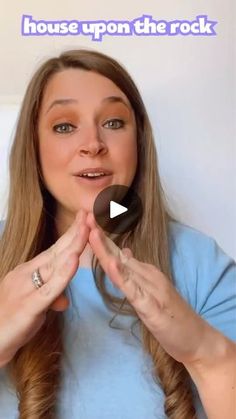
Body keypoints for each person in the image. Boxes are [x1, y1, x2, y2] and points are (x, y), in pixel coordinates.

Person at [0, 49, 235, 419]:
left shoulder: (201, 265)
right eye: (64, 126)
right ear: (33, 146)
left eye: (113, 122)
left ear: (138, 142)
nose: (92, 144)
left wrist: (205, 352)